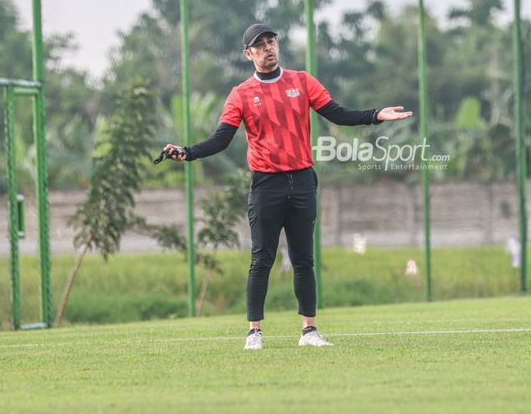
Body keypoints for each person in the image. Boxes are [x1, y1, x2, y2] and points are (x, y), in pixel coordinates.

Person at [162, 24, 412, 350]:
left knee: (303, 259)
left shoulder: (302, 81)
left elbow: (337, 114)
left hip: (303, 181)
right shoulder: (240, 94)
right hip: (267, 184)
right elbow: (222, 138)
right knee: (261, 258)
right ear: (248, 54)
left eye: (271, 41)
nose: (268, 48)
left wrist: (376, 115)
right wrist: (188, 152)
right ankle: (254, 332)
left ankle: (309, 331)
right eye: (260, 45)